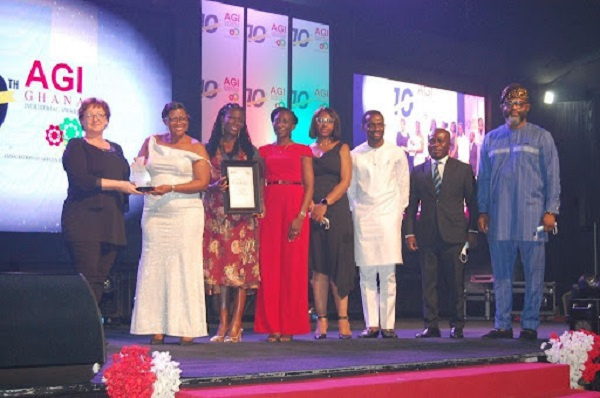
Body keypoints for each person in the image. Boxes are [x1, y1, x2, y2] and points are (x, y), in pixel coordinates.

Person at [478, 83, 560, 340]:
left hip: (533, 216)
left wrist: (551, 210)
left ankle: (529, 325)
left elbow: (552, 176)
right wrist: (482, 210)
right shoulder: (491, 138)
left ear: (527, 107)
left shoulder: (541, 137)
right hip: (499, 218)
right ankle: (502, 325)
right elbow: (484, 179)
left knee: (534, 273)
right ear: (502, 106)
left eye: (519, 103)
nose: (514, 107)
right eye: (509, 103)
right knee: (501, 274)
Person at [130, 102, 211, 345]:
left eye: (183, 119)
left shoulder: (197, 147)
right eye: (174, 119)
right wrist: (142, 182)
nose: (179, 123)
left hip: (185, 212)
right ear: (165, 120)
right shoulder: (151, 141)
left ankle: (187, 326)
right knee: (154, 266)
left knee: (185, 267)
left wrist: (172, 187)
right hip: (155, 211)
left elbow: (203, 182)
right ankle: (156, 326)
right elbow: (139, 168)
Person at [62, 97, 140, 304]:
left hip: (111, 221)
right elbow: (81, 181)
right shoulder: (76, 145)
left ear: (107, 121)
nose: (95, 119)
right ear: (81, 121)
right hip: (84, 220)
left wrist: (137, 185)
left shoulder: (116, 148)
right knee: (87, 279)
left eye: (100, 115)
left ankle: (92, 332)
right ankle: (84, 331)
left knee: (100, 279)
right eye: (89, 115)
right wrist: (119, 185)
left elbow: (124, 181)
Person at [405, 128, 478, 339]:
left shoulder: (463, 169)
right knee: (429, 283)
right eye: (431, 141)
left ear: (449, 145)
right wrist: (410, 233)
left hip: (454, 235)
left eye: (439, 141)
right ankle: (431, 325)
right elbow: (411, 206)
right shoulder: (418, 171)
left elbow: (472, 202)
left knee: (455, 283)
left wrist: (472, 230)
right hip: (427, 234)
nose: (435, 144)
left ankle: (457, 325)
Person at [254, 107, 314, 342]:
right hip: (270, 206)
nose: (281, 124)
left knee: (293, 267)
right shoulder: (263, 151)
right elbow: (258, 181)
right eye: (278, 120)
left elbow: (309, 185)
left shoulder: (302, 150)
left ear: (293, 125)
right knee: (269, 267)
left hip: (294, 206)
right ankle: (272, 326)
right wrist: (260, 206)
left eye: (286, 121)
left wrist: (301, 215)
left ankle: (290, 324)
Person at [348, 110, 409, 339]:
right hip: (364, 216)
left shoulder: (396, 152)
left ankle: (388, 325)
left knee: (388, 273)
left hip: (388, 216)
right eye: (371, 124)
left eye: (380, 124)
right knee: (366, 272)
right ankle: (372, 324)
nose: (376, 128)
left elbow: (404, 185)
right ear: (364, 127)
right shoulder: (356, 154)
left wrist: (396, 212)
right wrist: (357, 212)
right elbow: (351, 189)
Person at [203, 103, 261, 343]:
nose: (236, 122)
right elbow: (202, 181)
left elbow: (258, 181)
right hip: (217, 218)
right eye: (231, 117)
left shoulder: (249, 149)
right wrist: (213, 187)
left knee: (240, 274)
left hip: (243, 220)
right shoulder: (207, 150)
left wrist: (259, 205)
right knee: (221, 274)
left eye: (240, 119)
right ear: (221, 119)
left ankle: (237, 324)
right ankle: (223, 323)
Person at [308, 107, 354, 340]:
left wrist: (325, 203)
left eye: (329, 120)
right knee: (319, 266)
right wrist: (311, 205)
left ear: (335, 124)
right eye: (320, 120)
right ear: (315, 124)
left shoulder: (342, 148)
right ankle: (321, 320)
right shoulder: (308, 150)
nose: (324, 124)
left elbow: (346, 181)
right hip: (312, 211)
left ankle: (343, 319)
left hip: (336, 210)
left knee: (339, 264)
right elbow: (304, 182)